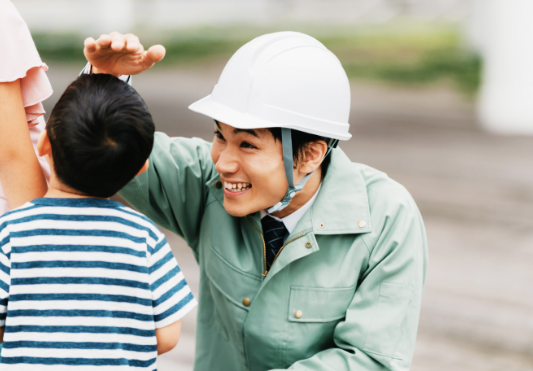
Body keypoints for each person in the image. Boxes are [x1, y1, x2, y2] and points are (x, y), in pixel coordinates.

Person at [84, 31, 428, 371]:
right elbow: (109, 150)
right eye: (220, 135)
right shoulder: (206, 180)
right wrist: (103, 86)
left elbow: (371, 360)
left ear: (310, 155)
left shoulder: (387, 218)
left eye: (247, 144)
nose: (223, 162)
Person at [0, 74, 197, 370]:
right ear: (140, 169)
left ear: (43, 144)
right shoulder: (143, 236)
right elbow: (168, 335)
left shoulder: (12, 233)